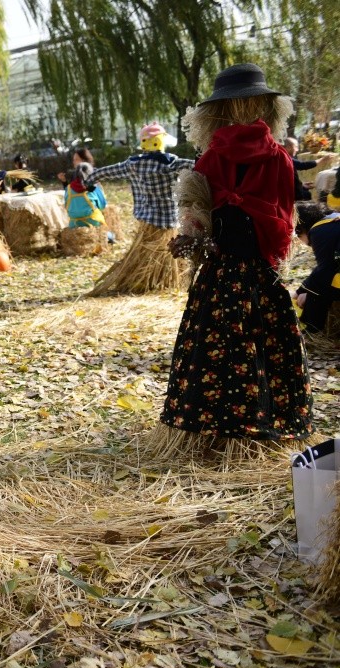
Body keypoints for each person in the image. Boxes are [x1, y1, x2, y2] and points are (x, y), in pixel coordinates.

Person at [158, 63, 312, 450]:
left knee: (214, 348)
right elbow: (283, 221)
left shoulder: (211, 158)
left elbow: (197, 223)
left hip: (221, 274)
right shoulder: (277, 158)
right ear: (266, 107)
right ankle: (263, 429)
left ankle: (209, 434)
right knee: (262, 344)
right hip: (259, 272)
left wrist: (199, 244)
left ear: (217, 112)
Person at [84, 122, 196, 295]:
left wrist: (89, 181)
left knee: (148, 251)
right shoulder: (170, 163)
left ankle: (143, 280)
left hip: (147, 221)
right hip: (168, 220)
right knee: (169, 251)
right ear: (162, 141)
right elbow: (196, 165)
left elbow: (107, 172)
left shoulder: (133, 164)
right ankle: (167, 279)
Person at [293, 200, 340, 334]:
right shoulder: (334, 221)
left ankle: (311, 330)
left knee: (317, 288)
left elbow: (325, 270)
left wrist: (301, 291)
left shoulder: (319, 230)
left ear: (300, 227)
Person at [284, 137, 334, 201]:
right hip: (290, 195)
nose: (297, 150)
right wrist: (322, 159)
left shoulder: (285, 157)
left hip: (291, 190)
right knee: (308, 195)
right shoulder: (284, 158)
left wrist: (302, 186)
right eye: (295, 147)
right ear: (287, 147)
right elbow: (302, 165)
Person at [63, 162, 107, 227]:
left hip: (74, 224)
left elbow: (66, 205)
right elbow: (103, 205)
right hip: (93, 222)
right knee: (110, 235)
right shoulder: (94, 187)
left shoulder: (68, 188)